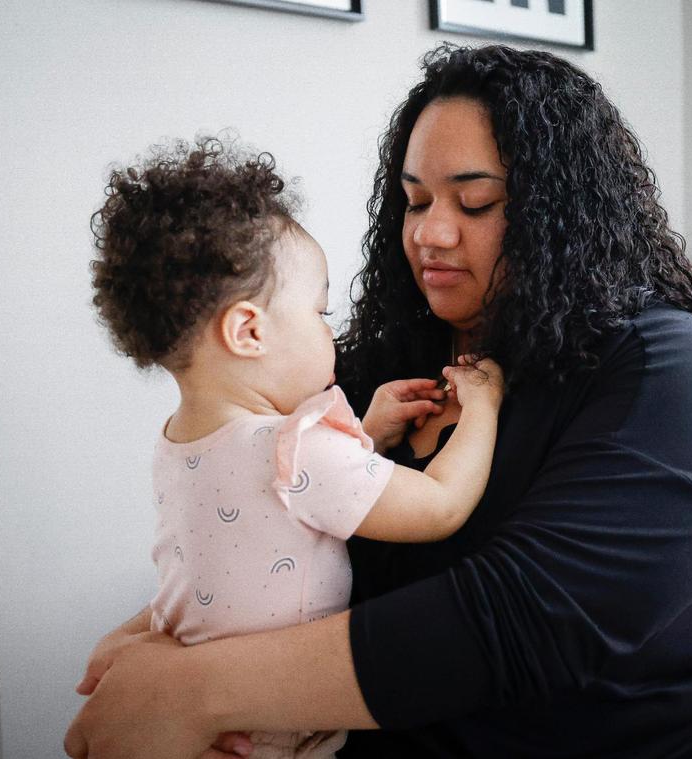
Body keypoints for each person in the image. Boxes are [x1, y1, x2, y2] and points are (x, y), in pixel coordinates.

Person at [66, 44, 692, 759]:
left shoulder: (680, 379)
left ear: (563, 212)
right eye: (415, 201)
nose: (430, 234)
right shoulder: (380, 370)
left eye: (475, 202)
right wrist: (154, 646)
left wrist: (194, 689)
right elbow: (264, 535)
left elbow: (517, 622)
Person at [84, 139, 504, 758]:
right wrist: (485, 409)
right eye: (319, 312)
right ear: (249, 331)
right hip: (273, 729)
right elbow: (439, 505)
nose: (330, 332)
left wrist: (367, 432)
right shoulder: (297, 449)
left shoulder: (178, 445)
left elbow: (278, 511)